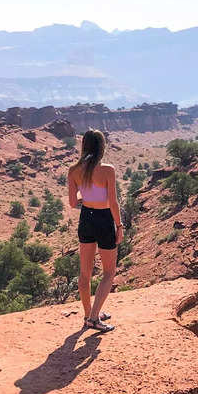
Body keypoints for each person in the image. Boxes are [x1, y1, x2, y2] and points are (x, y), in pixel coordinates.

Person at [67, 129, 123, 332]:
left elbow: (73, 203)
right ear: (101, 147)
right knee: (109, 272)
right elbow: (114, 203)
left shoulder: (73, 170)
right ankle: (94, 319)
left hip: (86, 219)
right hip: (104, 219)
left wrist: (88, 197)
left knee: (85, 272)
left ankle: (88, 314)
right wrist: (119, 225)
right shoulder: (107, 170)